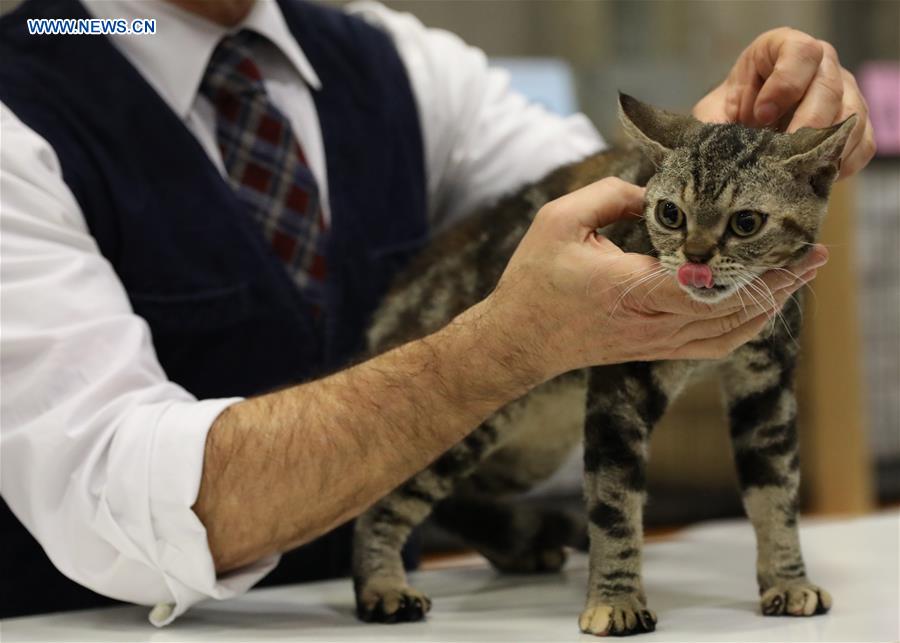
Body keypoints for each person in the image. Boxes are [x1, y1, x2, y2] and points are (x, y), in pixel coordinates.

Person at [0, 0, 874, 625]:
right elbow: (109, 492)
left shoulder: (389, 55)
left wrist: (727, 143)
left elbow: (586, 187)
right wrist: (495, 351)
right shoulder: (40, 76)